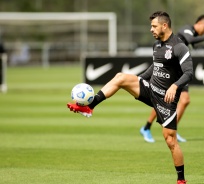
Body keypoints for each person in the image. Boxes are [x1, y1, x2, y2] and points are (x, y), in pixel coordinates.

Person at [67, 11, 193, 184]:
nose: (151, 29)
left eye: (154, 26)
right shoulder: (157, 45)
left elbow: (189, 73)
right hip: (151, 90)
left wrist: (175, 86)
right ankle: (90, 106)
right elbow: (154, 68)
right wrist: (139, 79)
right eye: (151, 26)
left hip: (166, 99)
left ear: (165, 25)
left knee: (170, 141)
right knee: (121, 77)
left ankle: (181, 180)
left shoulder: (180, 47)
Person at [140, 14, 204, 143]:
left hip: (179, 72)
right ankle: (147, 127)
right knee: (164, 99)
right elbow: (191, 39)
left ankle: (171, 129)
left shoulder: (190, 35)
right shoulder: (187, 30)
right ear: (199, 23)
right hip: (171, 72)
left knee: (184, 100)